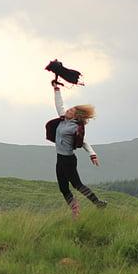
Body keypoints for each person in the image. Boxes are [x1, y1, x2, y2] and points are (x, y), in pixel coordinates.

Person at [49, 80, 107, 217]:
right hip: (60, 158)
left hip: (68, 160)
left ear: (76, 116)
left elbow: (84, 142)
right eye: (69, 109)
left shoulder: (76, 127)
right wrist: (56, 89)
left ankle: (98, 202)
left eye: (71, 110)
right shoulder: (64, 119)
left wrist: (92, 154)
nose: (68, 110)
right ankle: (75, 210)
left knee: (77, 185)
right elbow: (59, 105)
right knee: (63, 188)